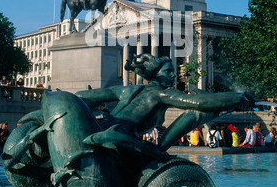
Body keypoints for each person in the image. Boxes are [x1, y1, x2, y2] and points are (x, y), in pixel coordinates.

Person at [75, 53, 252, 156]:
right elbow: (200, 102)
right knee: (196, 114)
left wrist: (94, 106)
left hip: (99, 129)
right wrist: (238, 98)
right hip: (121, 142)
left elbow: (81, 96)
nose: (174, 75)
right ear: (156, 74)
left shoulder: (128, 90)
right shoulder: (161, 93)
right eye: (168, 71)